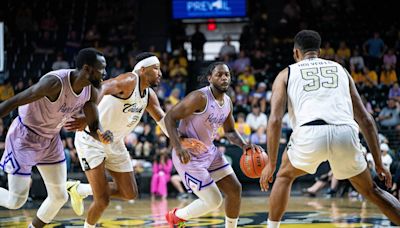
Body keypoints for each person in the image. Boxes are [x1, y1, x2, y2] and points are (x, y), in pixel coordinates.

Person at [259, 30, 400, 228]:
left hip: (310, 132)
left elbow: (274, 120)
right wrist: (378, 163)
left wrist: (270, 164)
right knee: (372, 191)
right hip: (345, 132)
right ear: (319, 51)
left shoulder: (286, 73)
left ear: (296, 53)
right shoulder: (341, 70)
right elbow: (366, 120)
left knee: (284, 175)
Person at [0, 48, 113, 228]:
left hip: (51, 139)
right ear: (87, 69)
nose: (106, 73)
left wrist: (103, 135)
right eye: (102, 68)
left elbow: (93, 127)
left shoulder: (92, 90)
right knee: (16, 201)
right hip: (25, 137)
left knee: (59, 196)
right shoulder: (54, 83)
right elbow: (13, 101)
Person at [64, 52, 170, 228]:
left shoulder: (149, 95)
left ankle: (80, 189)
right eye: (156, 68)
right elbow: (103, 87)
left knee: (130, 193)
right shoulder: (130, 80)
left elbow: (163, 120)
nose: (160, 72)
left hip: (115, 141)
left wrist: (180, 140)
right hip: (92, 138)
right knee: (102, 200)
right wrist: (88, 114)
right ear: (143, 70)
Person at [164, 62, 263, 228]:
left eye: (227, 74)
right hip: (189, 156)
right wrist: (179, 146)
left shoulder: (228, 102)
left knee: (234, 189)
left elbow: (230, 131)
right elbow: (170, 118)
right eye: (219, 74)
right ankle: (176, 216)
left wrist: (244, 145)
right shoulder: (200, 97)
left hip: (209, 152)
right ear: (210, 78)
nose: (224, 78)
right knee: (214, 201)